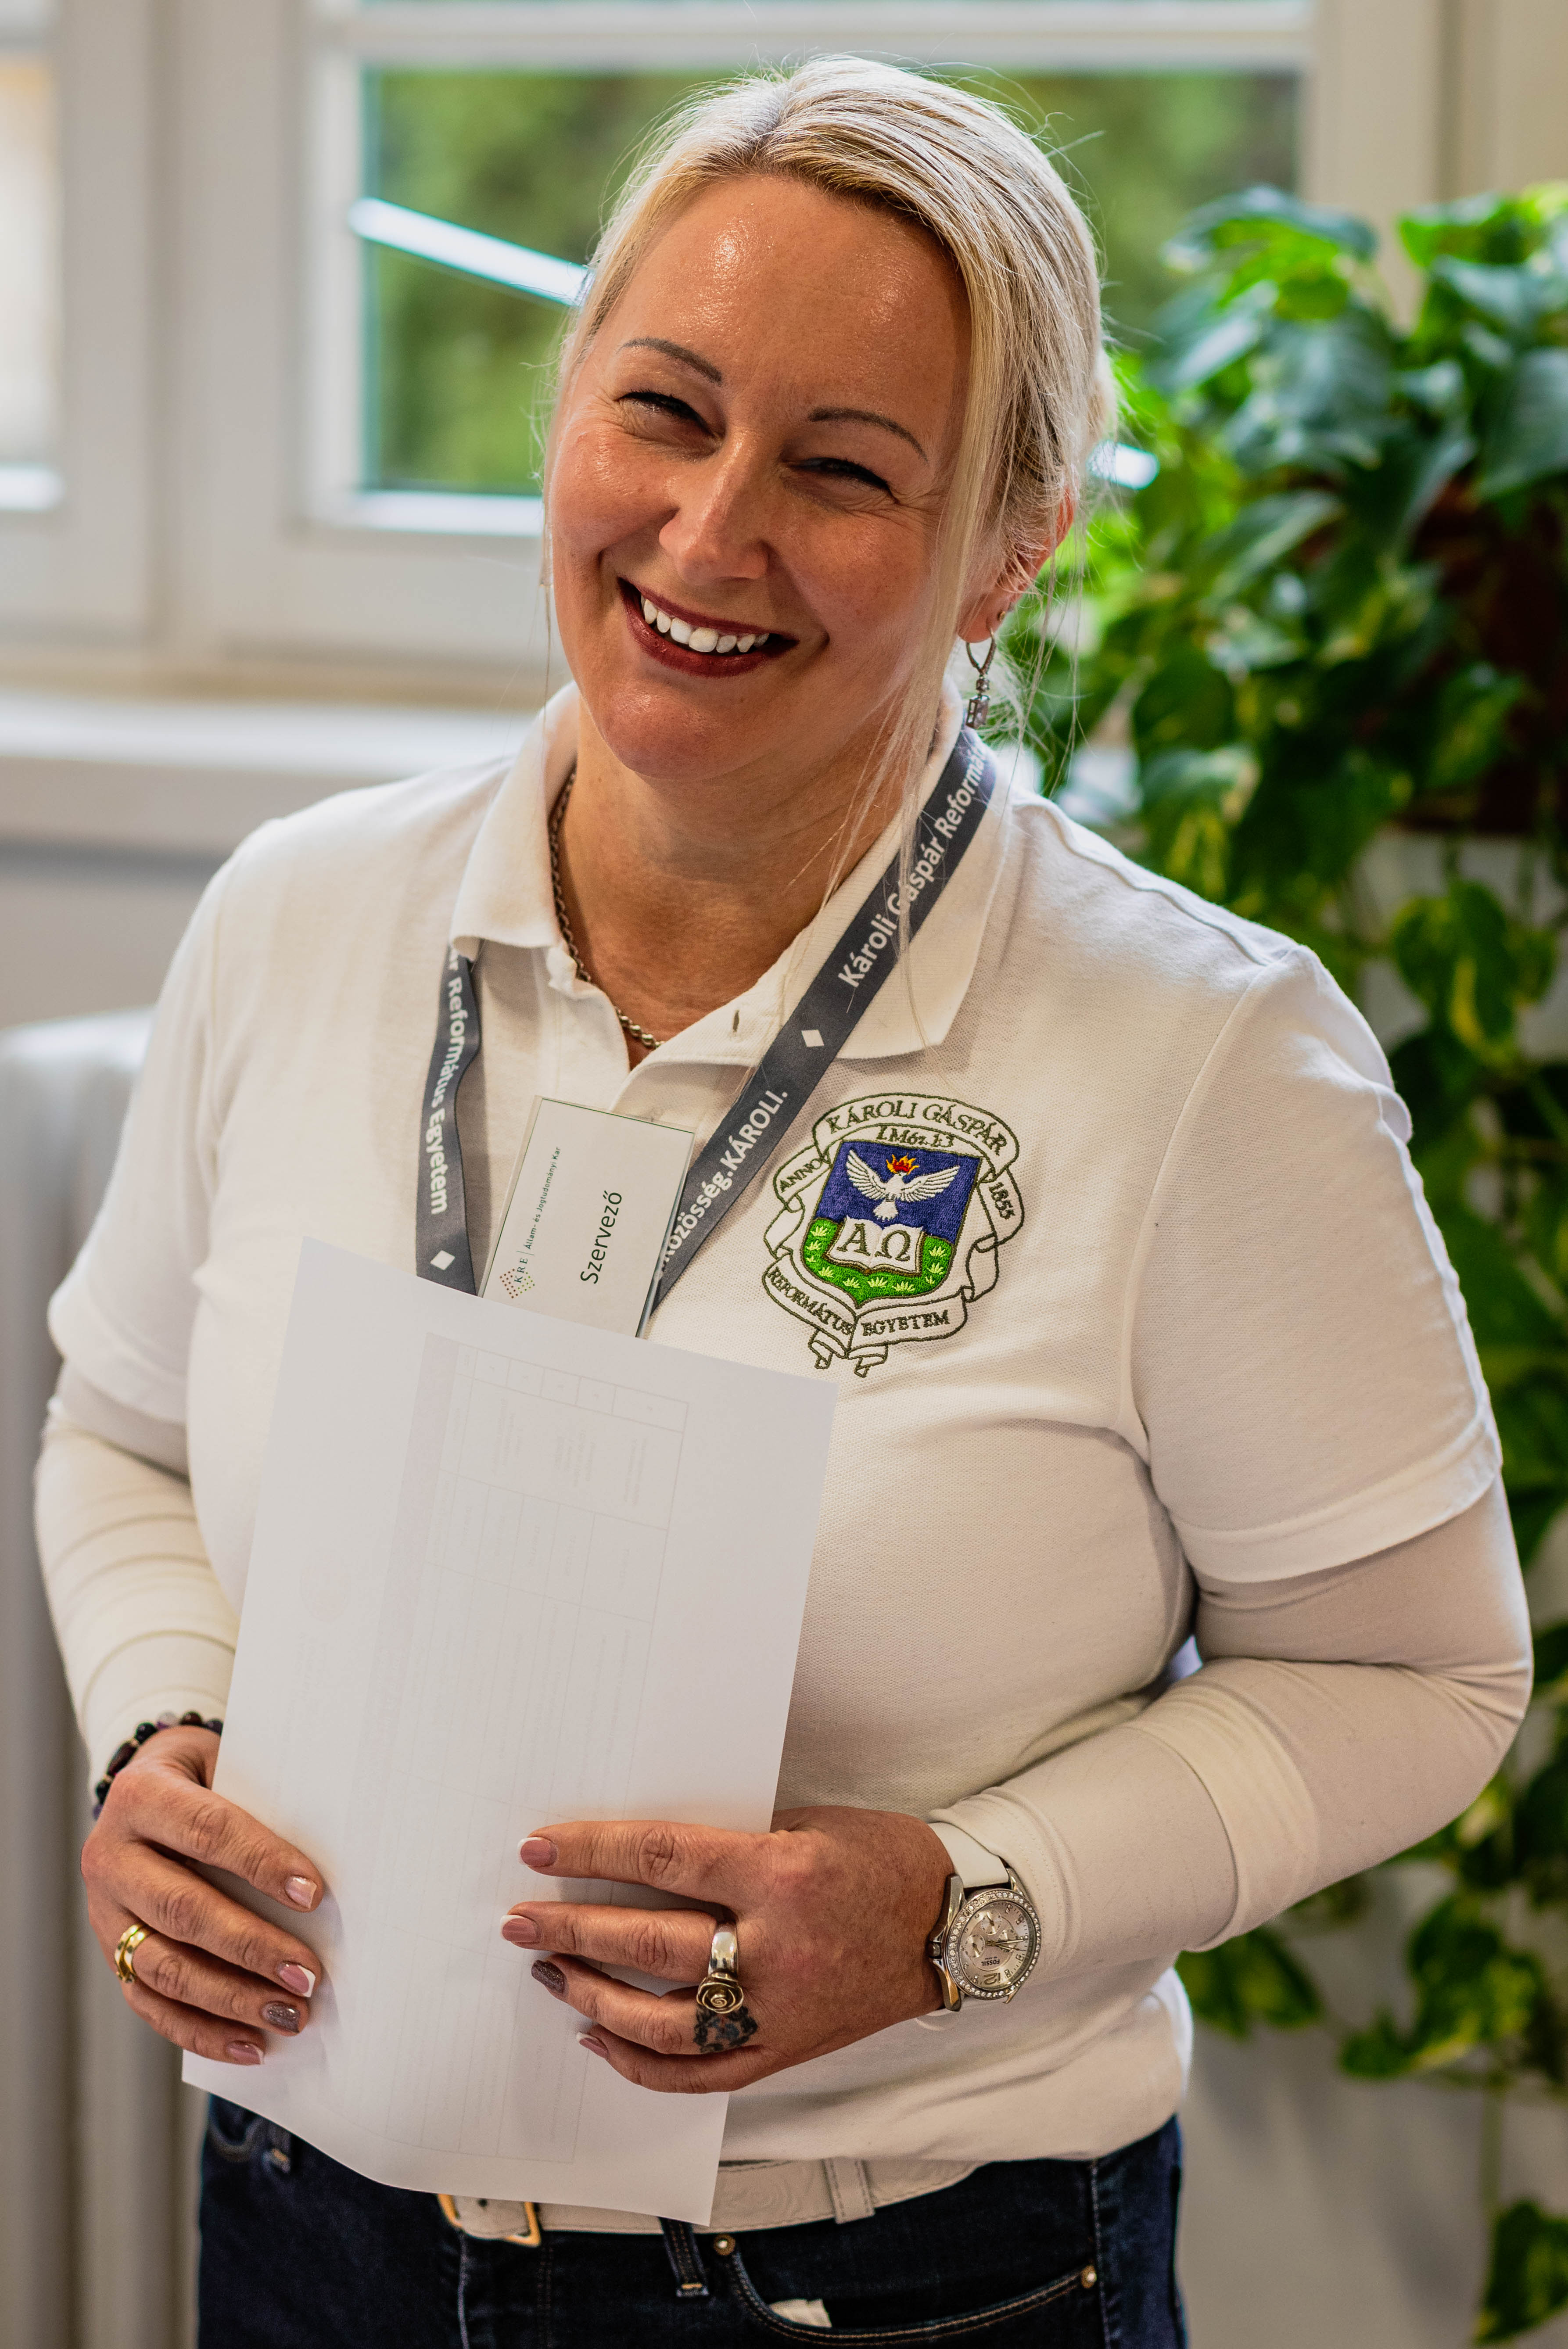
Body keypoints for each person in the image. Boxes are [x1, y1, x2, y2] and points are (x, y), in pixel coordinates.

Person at [36, 57, 1530, 2349]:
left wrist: (956, 1906)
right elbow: (124, 1438)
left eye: (841, 468)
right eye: (663, 411)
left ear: (1009, 545)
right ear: (564, 412)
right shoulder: (300, 918)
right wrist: (161, 1735)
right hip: (313, 2229)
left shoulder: (1204, 1057)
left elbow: (1417, 1676)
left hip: (895, 2276)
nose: (711, 533)